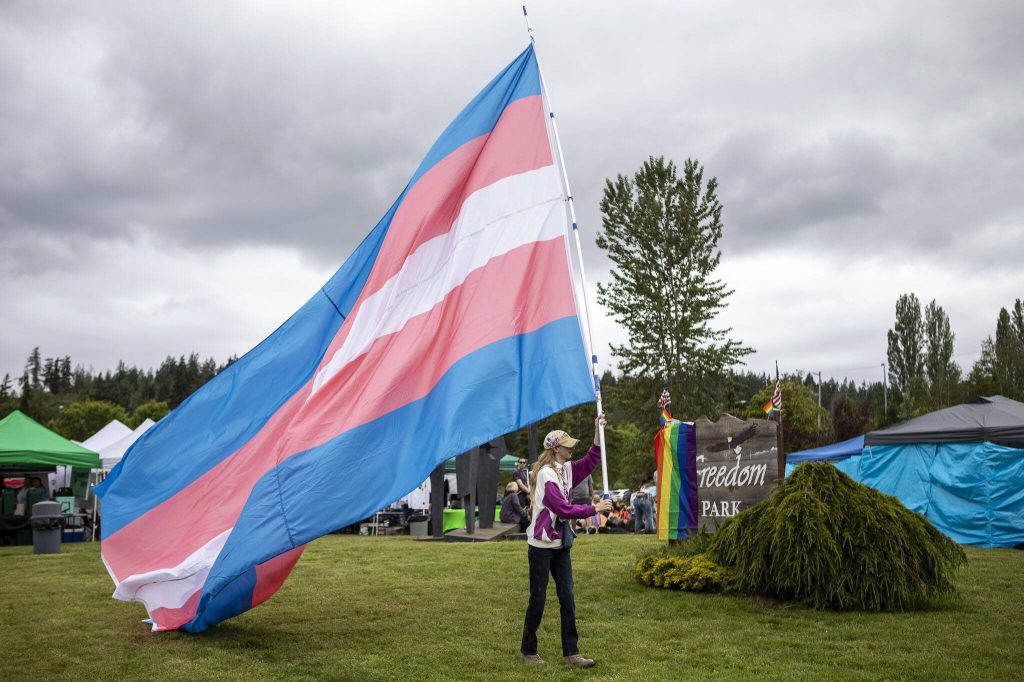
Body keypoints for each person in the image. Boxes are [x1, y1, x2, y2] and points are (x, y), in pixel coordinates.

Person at [521, 415, 612, 668]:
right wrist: (594, 509)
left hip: (561, 545)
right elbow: (562, 509)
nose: (572, 448)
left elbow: (593, 459)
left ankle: (571, 652)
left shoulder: (568, 469)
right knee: (537, 599)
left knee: (568, 598)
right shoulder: (546, 475)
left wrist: (597, 431)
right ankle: (528, 650)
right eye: (567, 445)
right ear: (555, 449)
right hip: (540, 546)